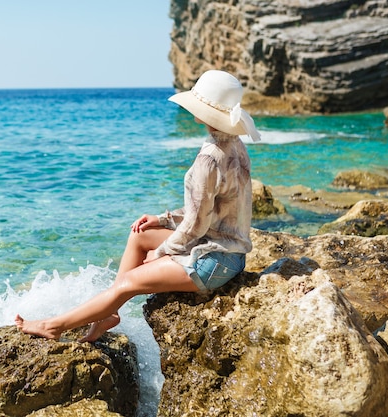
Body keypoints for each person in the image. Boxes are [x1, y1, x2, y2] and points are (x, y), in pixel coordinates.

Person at [15, 70, 261, 342]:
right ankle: (107, 314)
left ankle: (54, 326)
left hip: (213, 262)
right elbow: (211, 208)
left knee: (127, 284)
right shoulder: (234, 145)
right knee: (140, 234)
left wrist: (162, 252)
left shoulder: (210, 158)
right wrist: (162, 219)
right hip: (228, 253)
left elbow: (197, 223)